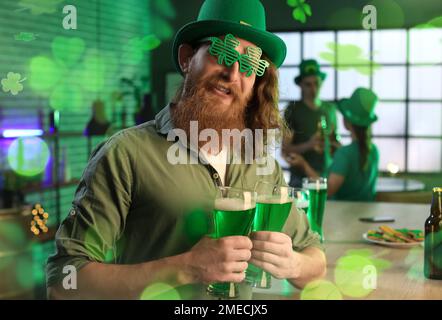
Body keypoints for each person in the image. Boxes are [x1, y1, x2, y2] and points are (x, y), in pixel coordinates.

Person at [46, 0, 326, 299]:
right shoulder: (125, 154)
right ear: (186, 58)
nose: (232, 73)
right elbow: (64, 283)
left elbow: (316, 260)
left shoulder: (260, 161)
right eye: (223, 51)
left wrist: (293, 263)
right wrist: (187, 267)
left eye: (250, 63)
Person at [286, 88, 380, 201]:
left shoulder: (344, 154)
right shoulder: (374, 150)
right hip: (367, 213)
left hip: (343, 215)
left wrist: (303, 165)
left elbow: (328, 190)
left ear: (347, 122)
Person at [282, 59, 340, 187]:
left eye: (316, 83)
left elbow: (335, 143)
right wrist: (309, 145)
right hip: (300, 178)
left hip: (326, 175)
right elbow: (285, 150)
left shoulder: (330, 109)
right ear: (300, 85)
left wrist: (338, 148)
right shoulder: (293, 109)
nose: (313, 89)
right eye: (308, 84)